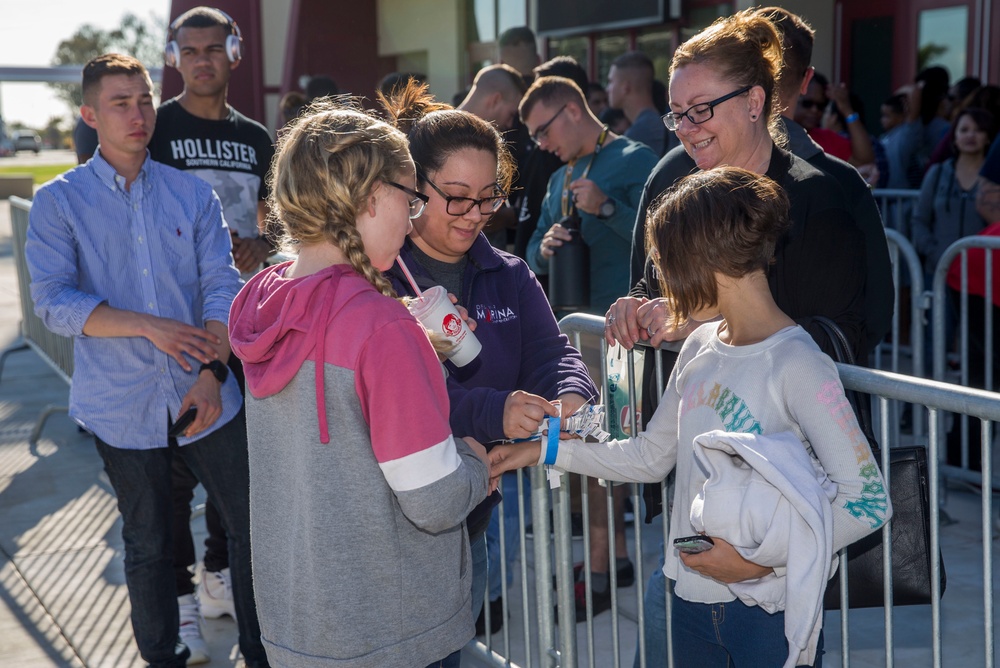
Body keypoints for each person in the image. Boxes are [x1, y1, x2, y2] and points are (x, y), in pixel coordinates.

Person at [490, 166, 891, 667]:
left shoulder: (798, 364)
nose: (663, 282)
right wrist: (544, 449)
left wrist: (754, 562)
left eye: (667, 264)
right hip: (689, 602)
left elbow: (868, 501)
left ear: (703, 261)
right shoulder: (700, 344)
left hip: (768, 616)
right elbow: (650, 458)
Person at [604, 9, 870, 662]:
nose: (687, 129)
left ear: (756, 102)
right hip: (687, 494)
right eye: (677, 113)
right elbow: (655, 287)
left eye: (701, 110)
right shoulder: (669, 176)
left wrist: (707, 324)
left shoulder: (827, 196)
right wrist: (639, 312)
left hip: (781, 508)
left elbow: (844, 341)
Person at [25, 53, 268, 668]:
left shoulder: (192, 195)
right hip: (120, 403)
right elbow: (52, 302)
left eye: (143, 100)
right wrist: (146, 325)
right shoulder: (59, 203)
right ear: (89, 114)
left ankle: (263, 654)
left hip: (206, 392)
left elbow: (222, 285)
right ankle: (164, 657)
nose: (137, 114)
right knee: (149, 542)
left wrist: (214, 371)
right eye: (119, 103)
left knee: (250, 529)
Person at [228, 103, 491, 667]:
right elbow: (436, 499)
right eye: (409, 198)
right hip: (395, 635)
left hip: (300, 628)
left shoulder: (264, 303)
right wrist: (477, 463)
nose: (413, 216)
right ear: (371, 197)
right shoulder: (381, 328)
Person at [380, 82, 597, 635]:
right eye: (456, 196)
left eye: (488, 197)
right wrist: (494, 413)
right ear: (413, 186)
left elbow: (552, 355)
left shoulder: (509, 273)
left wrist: (570, 399)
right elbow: (408, 400)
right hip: (392, 523)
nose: (475, 213)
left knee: (457, 638)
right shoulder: (377, 277)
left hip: (478, 509)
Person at [148, 7, 276, 660]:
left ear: (234, 53)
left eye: (212, 49)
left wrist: (257, 241)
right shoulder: (157, 129)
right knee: (173, 480)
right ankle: (182, 607)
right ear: (174, 57)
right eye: (188, 50)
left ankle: (219, 574)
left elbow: (282, 219)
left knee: (240, 469)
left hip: (242, 325)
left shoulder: (256, 138)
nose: (201, 60)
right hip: (174, 330)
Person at [524, 76, 659, 315]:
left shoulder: (635, 158)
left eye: (544, 132)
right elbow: (532, 252)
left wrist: (606, 208)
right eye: (536, 137)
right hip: (571, 328)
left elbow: (664, 240)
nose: (542, 145)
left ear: (573, 111)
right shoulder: (558, 177)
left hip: (627, 330)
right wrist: (545, 249)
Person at [911, 108, 995, 274]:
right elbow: (919, 220)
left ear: (987, 138)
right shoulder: (937, 172)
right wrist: (933, 252)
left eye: (978, 130)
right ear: (954, 137)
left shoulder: (995, 178)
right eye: (964, 130)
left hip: (984, 272)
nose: (971, 135)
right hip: (939, 270)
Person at [606, 51, 673, 156]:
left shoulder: (640, 132)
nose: (607, 89)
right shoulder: (654, 122)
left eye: (610, 82)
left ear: (625, 87)